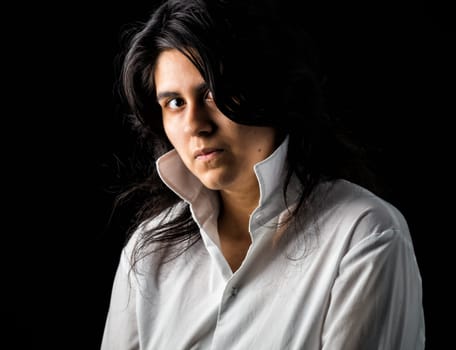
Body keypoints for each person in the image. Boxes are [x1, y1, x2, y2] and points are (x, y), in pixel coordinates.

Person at [101, 0, 425, 348]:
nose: (195, 125)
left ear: (267, 89)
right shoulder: (149, 252)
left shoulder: (364, 235)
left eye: (211, 93)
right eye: (175, 103)